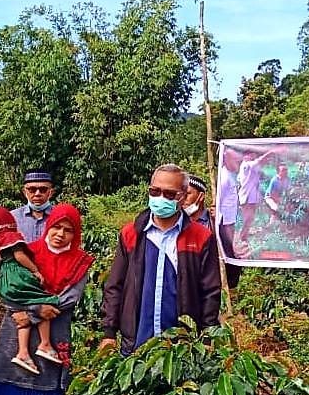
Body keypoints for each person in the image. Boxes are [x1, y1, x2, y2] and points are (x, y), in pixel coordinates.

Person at [0, 204, 93, 395]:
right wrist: (32, 309)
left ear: (75, 234)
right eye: (56, 227)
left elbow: (67, 300)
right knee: (9, 394)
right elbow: (8, 288)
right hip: (14, 337)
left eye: (68, 230)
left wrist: (31, 313)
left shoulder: (80, 262)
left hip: (51, 339)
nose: (60, 234)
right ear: (48, 226)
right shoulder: (26, 251)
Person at [100, 164, 222, 355]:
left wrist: (207, 336)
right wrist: (109, 332)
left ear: (182, 197)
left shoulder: (201, 237)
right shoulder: (131, 234)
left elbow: (210, 292)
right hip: (135, 345)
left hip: (182, 349)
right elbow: (115, 285)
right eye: (155, 191)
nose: (160, 198)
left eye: (169, 194)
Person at [0, 206, 63, 374]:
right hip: (17, 278)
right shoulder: (9, 235)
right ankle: (45, 344)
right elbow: (19, 255)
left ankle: (23, 353)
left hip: (5, 283)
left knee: (23, 318)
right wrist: (35, 271)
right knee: (43, 300)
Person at [236, 148, 276, 245]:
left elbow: (260, 167)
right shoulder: (246, 165)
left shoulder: (252, 166)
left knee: (251, 218)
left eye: (254, 154)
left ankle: (245, 236)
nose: (253, 156)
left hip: (252, 197)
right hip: (246, 197)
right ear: (246, 156)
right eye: (251, 154)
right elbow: (259, 161)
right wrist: (270, 152)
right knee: (247, 218)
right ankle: (242, 238)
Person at [216, 149, 243, 288]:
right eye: (236, 160)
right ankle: (228, 286)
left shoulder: (231, 175)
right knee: (229, 253)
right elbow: (217, 204)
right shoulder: (224, 178)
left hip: (230, 222)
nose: (239, 162)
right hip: (224, 223)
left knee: (233, 252)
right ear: (226, 158)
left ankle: (232, 286)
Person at [11, 169, 56, 243]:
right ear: (25, 192)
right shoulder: (13, 218)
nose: (37, 193)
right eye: (32, 189)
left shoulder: (61, 217)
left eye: (43, 189)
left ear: (51, 192)